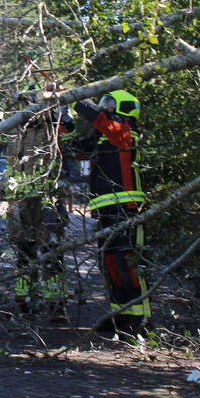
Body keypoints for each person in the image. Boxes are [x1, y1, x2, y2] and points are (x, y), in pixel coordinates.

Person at [72, 89, 150, 336]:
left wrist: (71, 95)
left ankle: (141, 320)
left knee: (129, 265)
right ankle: (120, 316)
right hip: (106, 210)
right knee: (110, 265)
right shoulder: (105, 136)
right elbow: (79, 148)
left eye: (109, 103)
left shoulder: (124, 132)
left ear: (124, 108)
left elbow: (95, 116)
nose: (104, 107)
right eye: (103, 103)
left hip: (127, 210)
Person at [7, 93, 75, 319]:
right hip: (23, 200)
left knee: (52, 252)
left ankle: (56, 303)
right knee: (24, 252)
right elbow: (12, 164)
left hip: (49, 198)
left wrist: (56, 106)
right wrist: (11, 203)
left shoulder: (55, 125)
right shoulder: (17, 128)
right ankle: (24, 301)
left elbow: (69, 127)